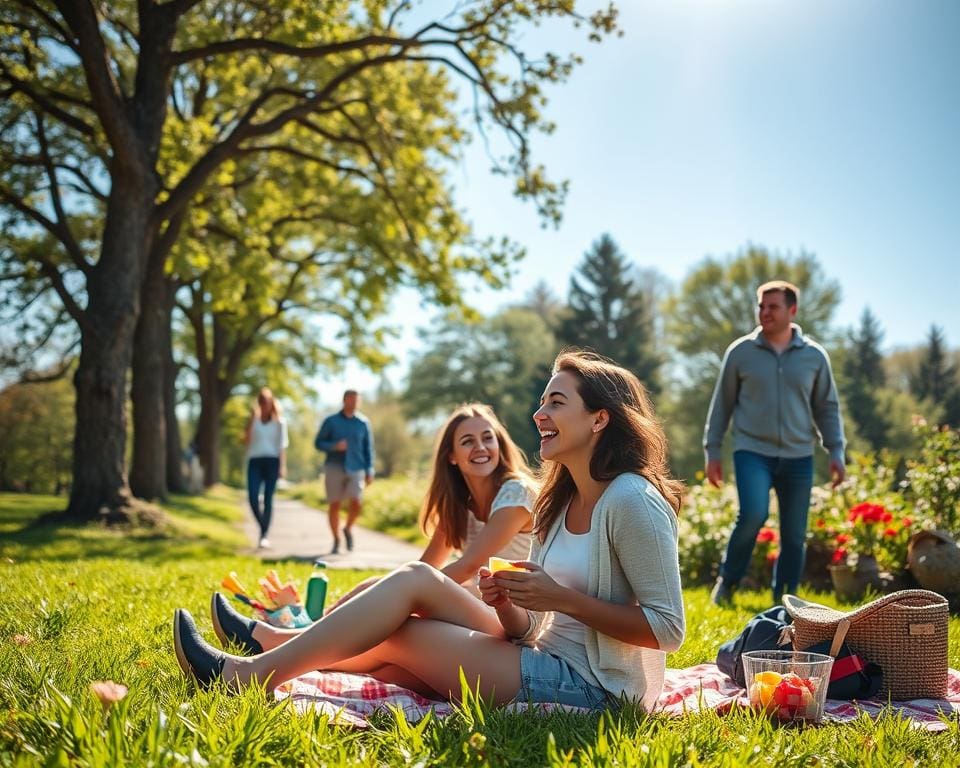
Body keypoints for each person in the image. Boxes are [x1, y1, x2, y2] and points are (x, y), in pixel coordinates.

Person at [173, 350, 685, 710]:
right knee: (412, 585)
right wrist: (511, 604)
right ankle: (270, 647)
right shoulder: (559, 498)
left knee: (403, 637)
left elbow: (668, 630)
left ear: (599, 420)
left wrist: (558, 599)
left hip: (595, 689)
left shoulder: (631, 500)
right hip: (542, 653)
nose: (538, 413)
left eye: (556, 403)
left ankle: (250, 672)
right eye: (543, 401)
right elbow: (532, 630)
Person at [210, 403, 538, 653]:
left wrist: (402, 593)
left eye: (487, 438)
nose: (481, 447)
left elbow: (467, 566)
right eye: (468, 441)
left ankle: (280, 639)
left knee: (395, 600)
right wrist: (385, 592)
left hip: (511, 621)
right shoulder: (459, 503)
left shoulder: (515, 492)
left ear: (499, 444)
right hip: (474, 609)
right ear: (452, 456)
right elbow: (427, 566)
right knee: (377, 586)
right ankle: (301, 631)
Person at [704, 280, 846, 606]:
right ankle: (727, 582)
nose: (764, 313)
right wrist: (712, 450)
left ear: (792, 310)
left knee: (795, 535)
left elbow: (827, 407)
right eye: (761, 306)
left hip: (799, 456)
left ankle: (785, 599)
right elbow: (722, 405)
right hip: (752, 450)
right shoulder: (740, 352)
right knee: (753, 514)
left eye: (773, 307)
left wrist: (836, 450)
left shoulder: (814, 356)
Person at [314, 390, 375, 554]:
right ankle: (336, 539)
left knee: (356, 502)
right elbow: (318, 443)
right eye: (351, 400)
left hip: (357, 467)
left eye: (357, 400)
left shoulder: (363, 423)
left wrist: (370, 470)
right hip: (334, 466)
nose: (355, 403)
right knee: (334, 504)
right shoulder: (331, 421)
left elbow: (368, 448)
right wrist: (334, 446)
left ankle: (347, 528)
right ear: (344, 400)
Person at [244, 388, 288, 549]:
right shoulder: (253, 421)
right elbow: (246, 441)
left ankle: (263, 535)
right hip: (255, 461)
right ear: (259, 403)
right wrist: (250, 421)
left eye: (267, 403)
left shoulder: (280, 422)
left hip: (272, 461)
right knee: (253, 497)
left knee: (268, 498)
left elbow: (282, 446)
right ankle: (263, 526)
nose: (265, 406)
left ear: (272, 403)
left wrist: (282, 467)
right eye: (262, 403)